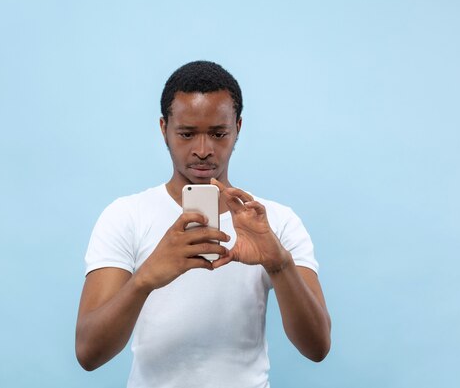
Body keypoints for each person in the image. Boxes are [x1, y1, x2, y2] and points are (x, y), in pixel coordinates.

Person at [75, 61, 331, 387]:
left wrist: (279, 264)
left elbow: (318, 347)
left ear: (238, 127)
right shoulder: (125, 216)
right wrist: (146, 279)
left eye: (218, 134)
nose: (202, 150)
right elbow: (88, 352)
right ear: (163, 128)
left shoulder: (274, 221)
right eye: (187, 133)